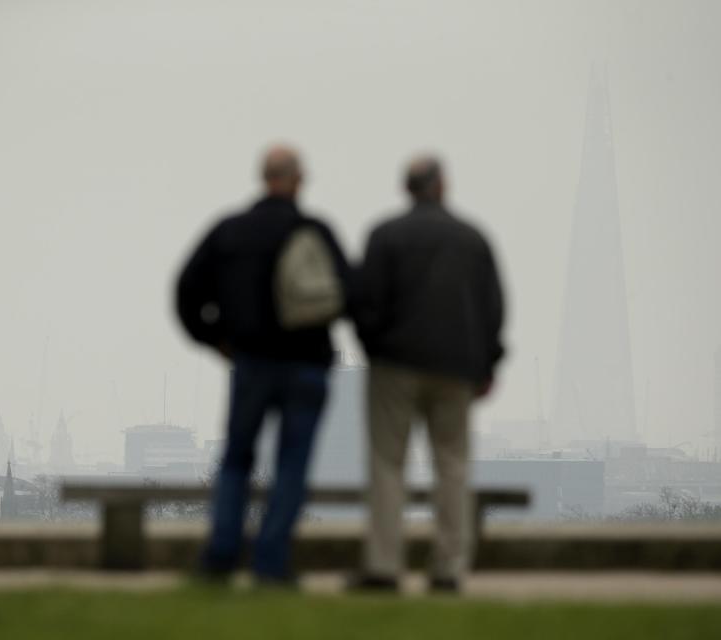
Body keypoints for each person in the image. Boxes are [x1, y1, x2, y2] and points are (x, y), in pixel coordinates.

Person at [175, 145, 349, 584]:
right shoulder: (315, 232)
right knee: (293, 463)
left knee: (237, 459)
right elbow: (347, 292)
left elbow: (186, 291)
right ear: (298, 180)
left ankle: (220, 556)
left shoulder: (230, 232)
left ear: (262, 177)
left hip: (250, 363)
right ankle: (271, 563)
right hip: (306, 366)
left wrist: (215, 339)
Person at [353, 155, 505, 593]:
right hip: (456, 369)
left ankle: (383, 566)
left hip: (394, 366)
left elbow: (365, 302)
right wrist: (487, 364)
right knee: (453, 467)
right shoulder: (473, 240)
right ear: (443, 186)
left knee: (386, 465)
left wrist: (374, 348)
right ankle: (449, 568)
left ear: (407, 188)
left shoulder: (384, 236)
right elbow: (493, 309)